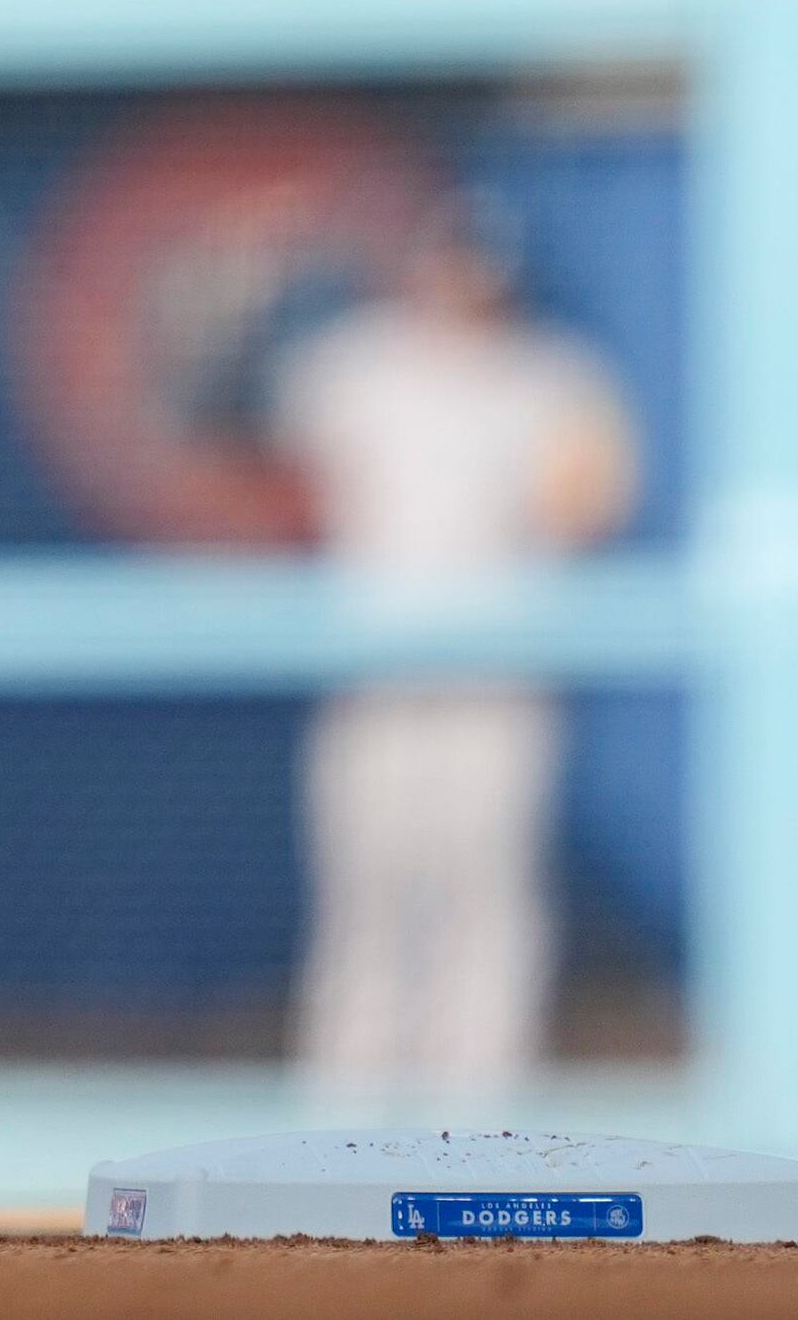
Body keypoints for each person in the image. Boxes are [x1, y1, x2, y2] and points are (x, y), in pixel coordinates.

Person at [268, 217, 638, 1115]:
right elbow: (258, 455)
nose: (456, 277)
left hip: (496, 682)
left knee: (490, 899)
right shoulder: (350, 364)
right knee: (367, 897)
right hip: (375, 676)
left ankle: (479, 1121)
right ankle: (340, 1125)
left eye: (475, 262)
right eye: (442, 257)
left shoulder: (552, 375)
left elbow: (590, 509)